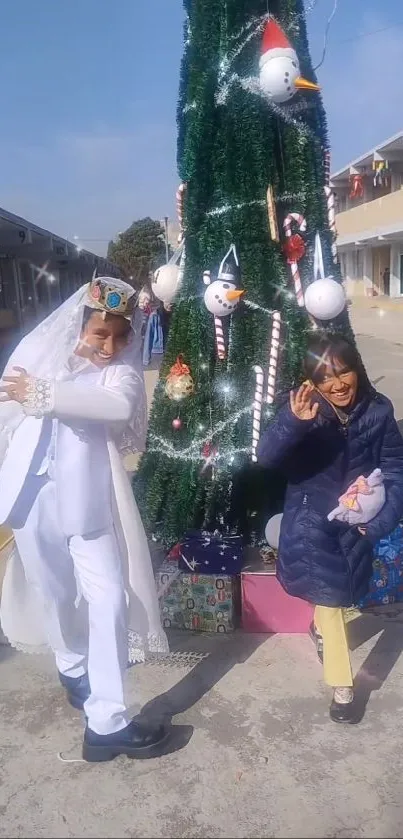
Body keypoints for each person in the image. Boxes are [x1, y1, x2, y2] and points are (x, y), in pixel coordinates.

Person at [0, 277, 169, 762]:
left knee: (110, 597)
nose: (110, 346)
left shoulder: (124, 371)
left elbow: (118, 406)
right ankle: (72, 664)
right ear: (80, 325)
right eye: (100, 335)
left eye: (121, 336)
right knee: (51, 588)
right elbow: (10, 401)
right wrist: (30, 395)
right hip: (31, 497)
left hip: (89, 500)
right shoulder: (41, 348)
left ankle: (108, 720)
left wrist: (43, 394)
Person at [257, 333, 403, 723]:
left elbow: (394, 471)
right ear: (312, 382)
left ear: (357, 369)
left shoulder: (379, 411)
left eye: (344, 372)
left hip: (356, 524)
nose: (338, 385)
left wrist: (378, 523)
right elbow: (266, 457)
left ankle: (321, 628)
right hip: (311, 527)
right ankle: (343, 687)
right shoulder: (302, 410)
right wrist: (293, 423)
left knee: (340, 599)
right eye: (326, 378)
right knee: (332, 599)